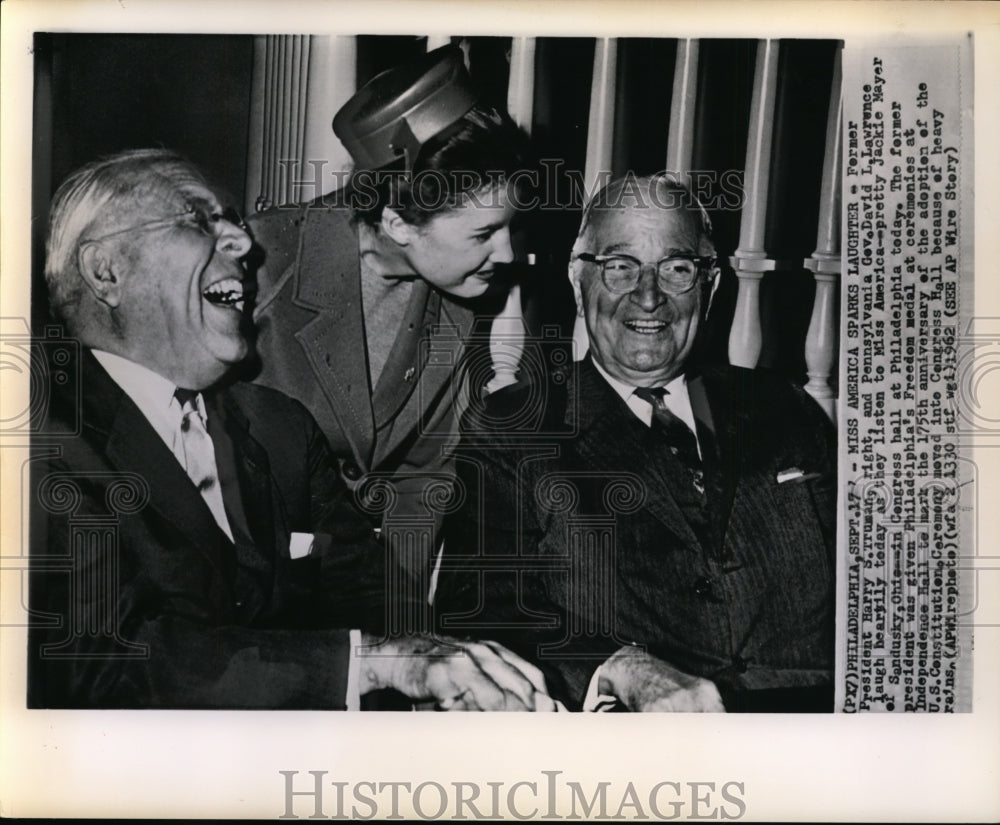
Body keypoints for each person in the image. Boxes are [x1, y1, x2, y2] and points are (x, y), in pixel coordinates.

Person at [27, 148, 555, 711]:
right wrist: (374, 664)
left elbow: (369, 598)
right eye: (200, 221)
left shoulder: (278, 429)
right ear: (107, 270)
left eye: (230, 219)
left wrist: (447, 680)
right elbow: (98, 667)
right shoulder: (35, 439)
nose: (243, 243)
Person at [434, 174, 837, 712]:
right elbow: (481, 609)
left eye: (676, 268)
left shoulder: (784, 407)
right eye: (620, 267)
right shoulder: (515, 428)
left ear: (710, 286)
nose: (648, 297)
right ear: (579, 280)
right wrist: (619, 667)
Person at [245, 46, 531, 580]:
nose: (508, 254)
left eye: (509, 228)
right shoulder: (259, 266)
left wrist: (394, 614)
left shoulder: (461, 292)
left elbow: (423, 476)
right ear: (398, 223)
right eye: (484, 234)